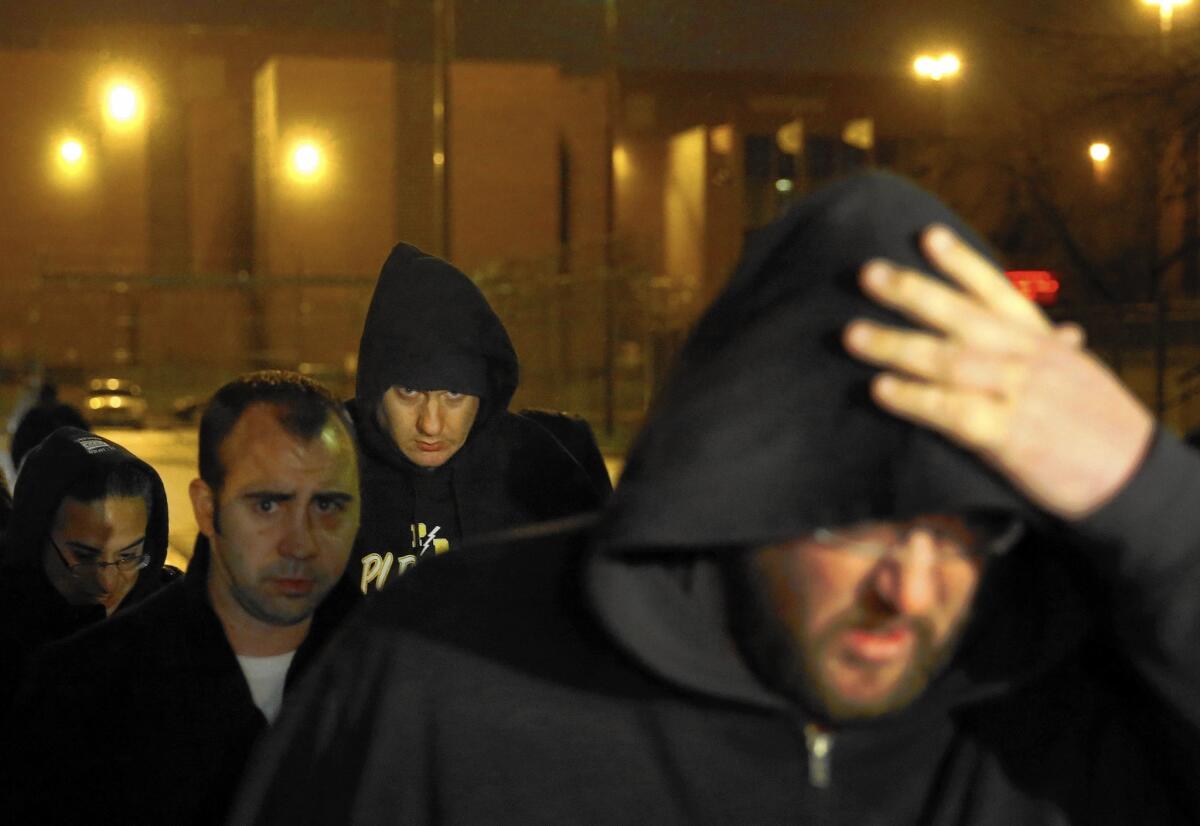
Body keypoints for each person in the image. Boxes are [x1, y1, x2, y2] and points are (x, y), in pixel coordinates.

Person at [228, 172, 1198, 825]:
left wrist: (1145, 490)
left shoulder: (1053, 698)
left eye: (957, 533)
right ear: (746, 487)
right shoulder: (450, 672)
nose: (908, 591)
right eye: (852, 528)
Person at [2, 371, 362, 826]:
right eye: (267, 505)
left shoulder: (400, 676)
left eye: (328, 505)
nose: (301, 542)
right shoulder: (78, 687)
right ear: (207, 509)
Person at [351, 243, 609, 594]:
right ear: (376, 386)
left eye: (454, 396)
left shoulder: (536, 468)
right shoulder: (327, 461)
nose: (431, 424)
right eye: (409, 393)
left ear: (484, 394)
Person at [0, 426, 171, 709]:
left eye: (128, 556)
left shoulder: (174, 621)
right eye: (84, 556)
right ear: (35, 538)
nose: (106, 581)